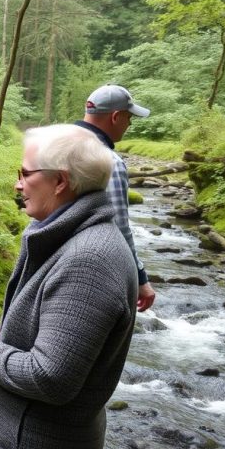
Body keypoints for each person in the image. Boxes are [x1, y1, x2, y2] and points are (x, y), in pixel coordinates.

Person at [0, 124, 138, 449]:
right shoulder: (69, 236)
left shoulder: (88, 259)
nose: (17, 184)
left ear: (60, 181)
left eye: (25, 173)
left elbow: (51, 377)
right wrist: (4, 332)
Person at [76, 84, 156, 312]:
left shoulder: (54, 147)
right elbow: (119, 227)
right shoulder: (108, 161)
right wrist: (141, 278)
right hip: (91, 268)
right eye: (129, 118)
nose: (129, 124)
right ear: (115, 116)